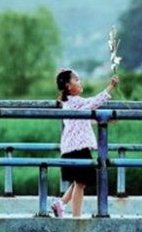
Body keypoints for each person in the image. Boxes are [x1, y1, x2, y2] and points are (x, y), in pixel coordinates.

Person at [51, 69, 119, 218]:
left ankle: (61, 203)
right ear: (69, 86)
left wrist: (106, 120)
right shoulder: (75, 102)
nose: (80, 82)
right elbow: (94, 102)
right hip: (77, 148)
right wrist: (110, 86)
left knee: (79, 180)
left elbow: (84, 120)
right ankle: (76, 217)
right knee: (81, 183)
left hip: (72, 147)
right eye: (76, 80)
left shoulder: (70, 103)